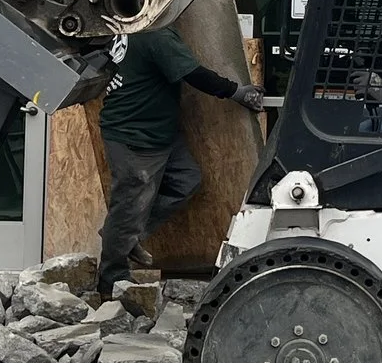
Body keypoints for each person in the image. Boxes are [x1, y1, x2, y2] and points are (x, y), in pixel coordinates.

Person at [96, 20, 268, 296]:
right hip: (135, 134)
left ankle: (124, 235)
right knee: (129, 203)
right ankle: (111, 281)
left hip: (155, 130)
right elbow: (194, 74)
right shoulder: (156, 35)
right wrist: (237, 92)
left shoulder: (136, 29)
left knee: (186, 180)